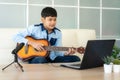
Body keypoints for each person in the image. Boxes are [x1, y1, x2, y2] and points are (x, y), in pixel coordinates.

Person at [13, 7, 80, 64]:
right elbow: (16, 36)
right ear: (43, 20)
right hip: (36, 58)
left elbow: (58, 52)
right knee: (42, 60)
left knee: (76, 58)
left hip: (53, 59)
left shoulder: (58, 33)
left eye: (55, 19)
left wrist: (66, 53)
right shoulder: (34, 28)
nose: (53, 22)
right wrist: (33, 43)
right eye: (50, 19)